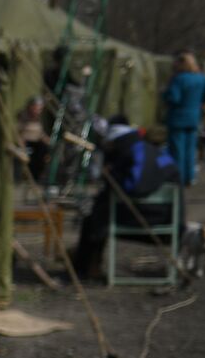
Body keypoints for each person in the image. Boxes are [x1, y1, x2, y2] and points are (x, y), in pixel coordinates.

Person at [72, 116, 183, 280]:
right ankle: (87, 265)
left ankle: (83, 269)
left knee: (95, 219)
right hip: (170, 218)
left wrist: (113, 176)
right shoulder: (153, 151)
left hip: (149, 219)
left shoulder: (134, 153)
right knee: (98, 213)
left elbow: (135, 186)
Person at [163, 51, 205, 186]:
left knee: (177, 150)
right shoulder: (200, 78)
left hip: (178, 118)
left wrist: (165, 94)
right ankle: (190, 177)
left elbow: (174, 98)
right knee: (190, 149)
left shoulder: (178, 79)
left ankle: (178, 178)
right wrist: (202, 99)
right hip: (194, 117)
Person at [16, 96, 50, 182]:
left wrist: (47, 141)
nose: (38, 111)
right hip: (27, 143)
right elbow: (18, 132)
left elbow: (41, 134)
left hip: (38, 144)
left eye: (40, 109)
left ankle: (38, 176)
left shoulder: (39, 119)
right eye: (36, 108)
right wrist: (21, 143)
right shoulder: (23, 118)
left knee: (43, 152)